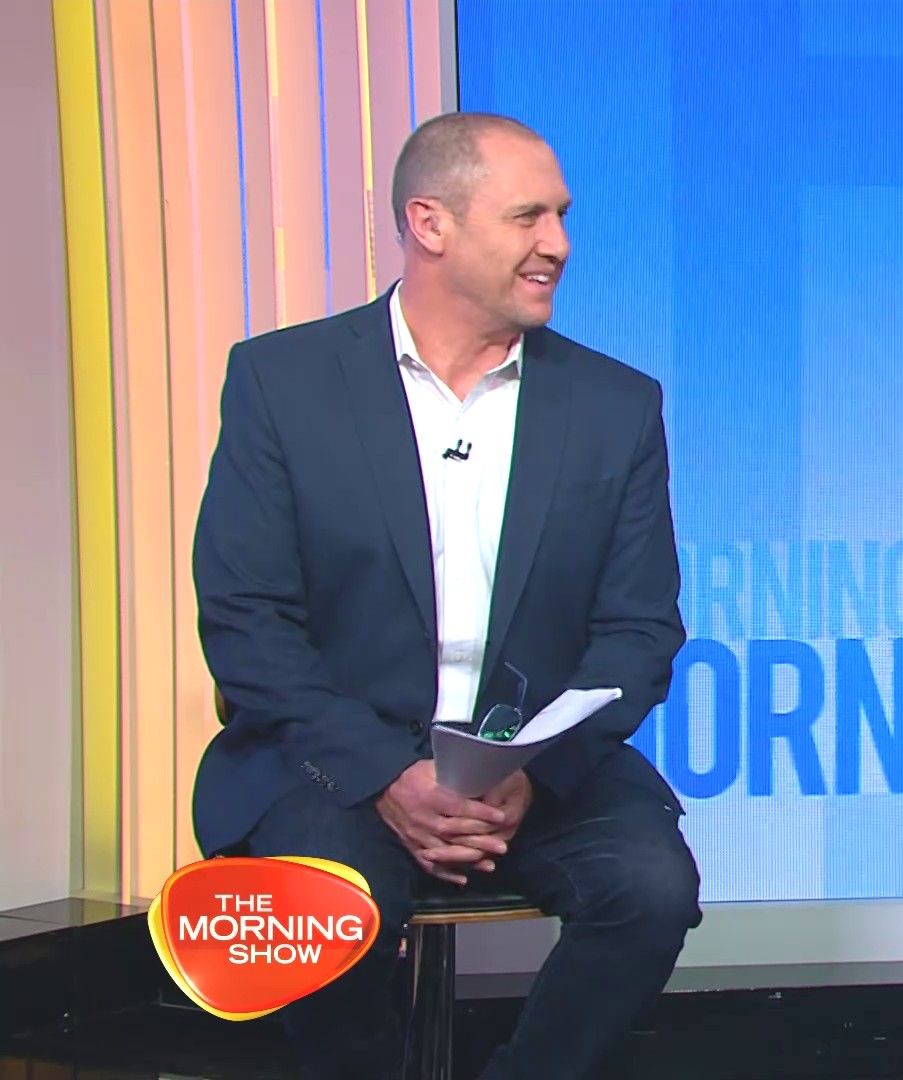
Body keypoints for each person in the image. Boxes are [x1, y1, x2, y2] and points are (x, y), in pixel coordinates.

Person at [192, 111, 696, 1079]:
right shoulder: (282, 383)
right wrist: (389, 774)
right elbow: (246, 621)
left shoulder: (616, 406)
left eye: (562, 216)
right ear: (430, 224)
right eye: (527, 217)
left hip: (532, 769)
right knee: (331, 908)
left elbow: (639, 632)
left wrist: (527, 772)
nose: (559, 244)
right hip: (335, 761)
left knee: (649, 889)